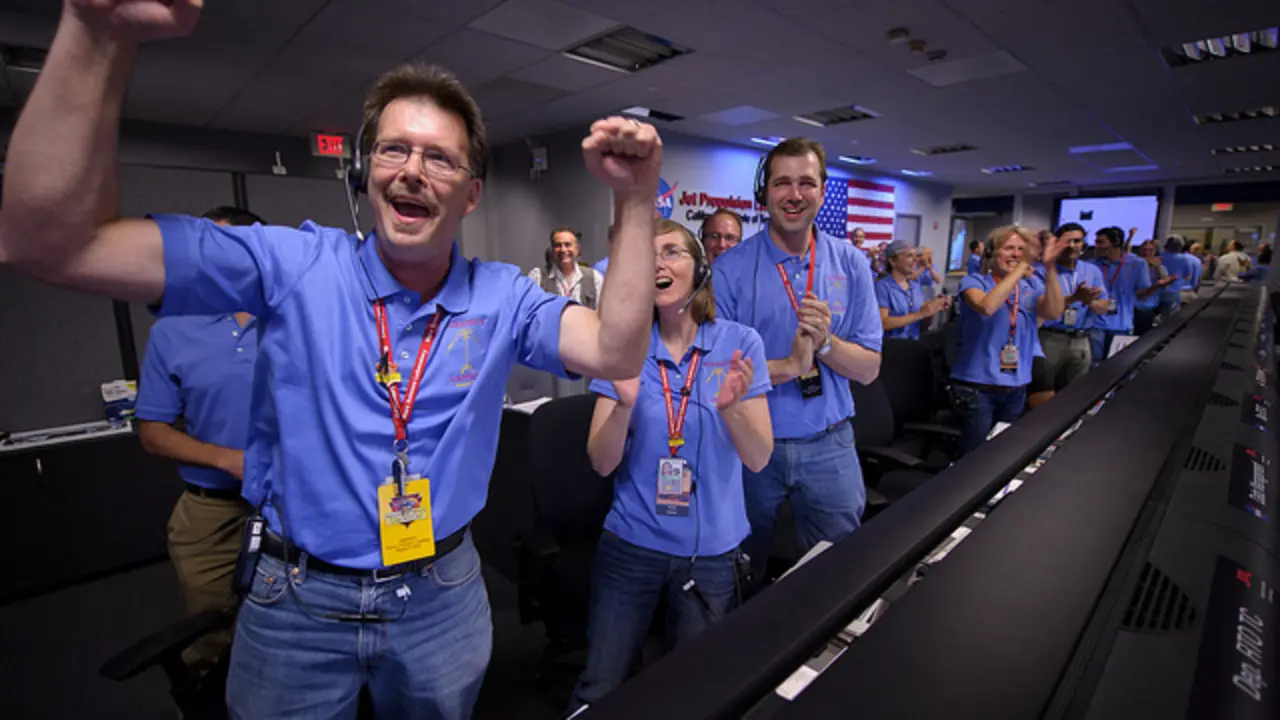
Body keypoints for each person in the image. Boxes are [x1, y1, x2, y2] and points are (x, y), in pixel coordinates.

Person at [0, 4, 663, 717]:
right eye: (392, 150)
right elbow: (52, 241)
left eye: (439, 157)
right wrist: (97, 30)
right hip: (297, 600)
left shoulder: (501, 296)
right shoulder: (292, 263)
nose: (412, 171)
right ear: (363, 173)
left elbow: (616, 347)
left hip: (440, 592)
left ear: (472, 194)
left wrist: (632, 197)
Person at [569, 219, 772, 712]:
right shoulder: (624, 348)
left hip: (711, 553)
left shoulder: (740, 344)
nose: (658, 263)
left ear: (700, 268)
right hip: (632, 543)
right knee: (601, 684)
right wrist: (621, 405)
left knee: (695, 689)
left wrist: (731, 409)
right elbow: (601, 463)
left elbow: (759, 457)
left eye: (673, 252)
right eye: (647, 255)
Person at [710, 137, 883, 588]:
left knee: (837, 571)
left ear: (822, 191)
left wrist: (825, 344)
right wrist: (788, 364)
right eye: (782, 182)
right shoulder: (729, 269)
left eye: (806, 183)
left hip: (830, 443)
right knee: (739, 569)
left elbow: (868, 369)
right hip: (750, 444)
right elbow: (718, 377)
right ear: (764, 192)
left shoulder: (851, 263)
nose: (794, 194)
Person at [135, 205, 265, 675]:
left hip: (291, 504)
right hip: (213, 512)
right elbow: (152, 433)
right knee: (213, 639)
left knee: (299, 634)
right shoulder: (172, 330)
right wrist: (227, 459)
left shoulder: (295, 321)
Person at [950, 226, 1066, 453]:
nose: (1016, 254)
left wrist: (1050, 267)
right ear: (992, 254)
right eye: (1009, 248)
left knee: (1001, 454)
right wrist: (1024, 264)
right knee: (973, 458)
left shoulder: (1030, 285)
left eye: (1021, 250)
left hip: (1016, 387)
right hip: (977, 389)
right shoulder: (974, 281)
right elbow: (987, 306)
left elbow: (1053, 312)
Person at [1088, 227, 1174, 364]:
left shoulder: (1136, 264)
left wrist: (1156, 286)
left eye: (1100, 242)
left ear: (1115, 243)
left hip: (1122, 325)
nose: (1096, 246)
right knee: (1093, 365)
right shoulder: (1091, 265)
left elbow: (1141, 295)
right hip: (1095, 325)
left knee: (1116, 366)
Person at [1036, 223, 1106, 390]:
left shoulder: (1092, 270)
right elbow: (1042, 308)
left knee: (1076, 393)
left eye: (1077, 241)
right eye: (1067, 241)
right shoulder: (1042, 270)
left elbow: (1104, 307)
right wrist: (1074, 298)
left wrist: (1089, 301)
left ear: (1084, 244)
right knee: (1045, 391)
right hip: (1051, 338)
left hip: (1081, 339)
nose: (1072, 246)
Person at [875, 240, 949, 339]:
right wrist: (920, 314)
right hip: (890, 348)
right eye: (909, 256)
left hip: (912, 346)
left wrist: (932, 310)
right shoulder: (882, 286)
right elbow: (882, 323)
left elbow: (923, 327)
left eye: (915, 256)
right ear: (892, 261)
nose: (916, 260)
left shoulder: (915, 287)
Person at [528, 227, 605, 309]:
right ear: (552, 250)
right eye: (558, 245)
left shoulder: (594, 278)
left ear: (577, 249)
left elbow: (602, 313)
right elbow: (528, 310)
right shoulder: (538, 277)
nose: (563, 249)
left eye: (567, 245)